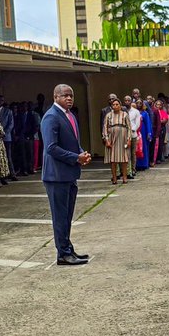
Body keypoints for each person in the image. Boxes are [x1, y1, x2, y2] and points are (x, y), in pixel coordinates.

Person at [41, 84, 93, 266]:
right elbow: (51, 148)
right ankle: (63, 253)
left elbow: (72, 142)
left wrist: (81, 154)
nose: (69, 98)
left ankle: (67, 249)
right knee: (60, 216)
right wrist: (75, 158)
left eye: (71, 95)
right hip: (56, 176)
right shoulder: (51, 117)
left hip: (69, 174)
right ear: (55, 97)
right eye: (65, 95)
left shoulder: (69, 115)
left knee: (67, 215)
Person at [102, 98, 132, 184]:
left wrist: (129, 139)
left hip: (123, 137)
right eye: (113, 105)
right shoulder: (108, 115)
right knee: (113, 159)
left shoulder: (124, 114)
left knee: (124, 158)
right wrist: (106, 140)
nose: (115, 106)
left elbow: (129, 127)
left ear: (120, 105)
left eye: (117, 104)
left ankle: (125, 177)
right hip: (112, 137)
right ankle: (114, 177)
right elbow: (105, 128)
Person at [0, 95, 16, 181]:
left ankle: (11, 174)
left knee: (7, 156)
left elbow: (11, 124)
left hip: (6, 137)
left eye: (2, 100)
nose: (0, 102)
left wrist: (3, 133)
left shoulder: (8, 111)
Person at [136, 99, 153, 172]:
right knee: (136, 148)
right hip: (136, 132)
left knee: (143, 148)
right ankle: (137, 165)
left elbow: (148, 124)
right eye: (137, 103)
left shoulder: (145, 113)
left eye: (140, 103)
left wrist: (149, 133)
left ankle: (144, 164)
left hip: (143, 132)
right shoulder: (135, 112)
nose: (139, 104)